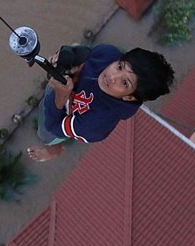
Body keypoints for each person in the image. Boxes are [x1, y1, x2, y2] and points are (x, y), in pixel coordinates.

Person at [27, 44, 174, 162]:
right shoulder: (108, 53)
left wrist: (60, 96)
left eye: (124, 83)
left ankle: (55, 150)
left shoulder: (96, 124)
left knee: (45, 134)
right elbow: (81, 51)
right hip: (63, 88)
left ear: (130, 98)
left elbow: (53, 126)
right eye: (120, 66)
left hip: (63, 114)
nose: (112, 76)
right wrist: (63, 57)